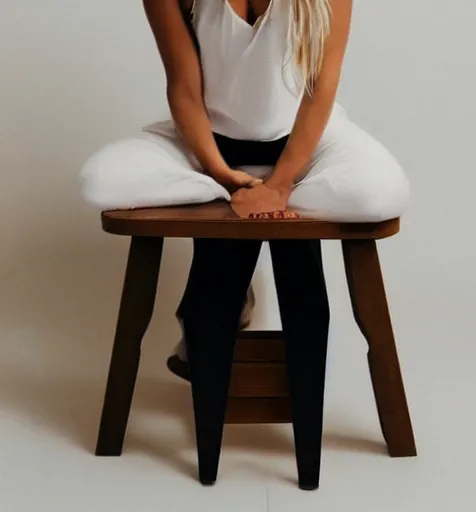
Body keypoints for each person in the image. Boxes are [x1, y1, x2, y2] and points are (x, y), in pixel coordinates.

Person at [80, 0, 410, 382]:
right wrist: (220, 173)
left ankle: (260, 198)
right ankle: (233, 199)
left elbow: (322, 86)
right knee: (98, 181)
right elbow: (184, 88)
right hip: (207, 147)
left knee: (380, 194)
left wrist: (281, 183)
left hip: (308, 142)